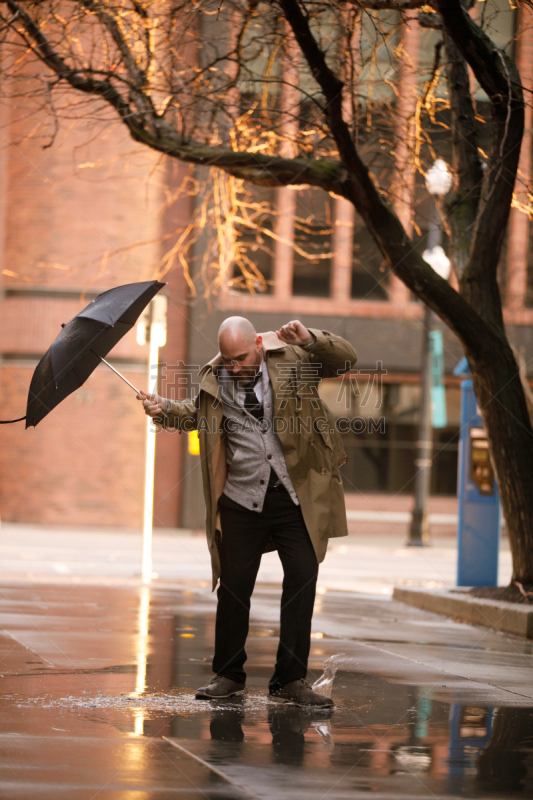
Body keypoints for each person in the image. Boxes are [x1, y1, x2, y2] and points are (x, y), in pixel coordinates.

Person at [138, 317, 357, 707]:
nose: (235, 366)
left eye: (241, 357)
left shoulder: (293, 358)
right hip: (242, 499)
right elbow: (194, 415)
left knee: (303, 580)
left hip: (294, 496)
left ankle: (290, 680)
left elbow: (344, 360)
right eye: (228, 359)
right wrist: (163, 408)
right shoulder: (214, 377)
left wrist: (311, 339)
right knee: (235, 588)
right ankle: (228, 674)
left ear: (257, 343)